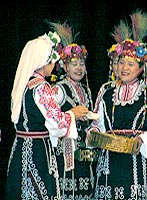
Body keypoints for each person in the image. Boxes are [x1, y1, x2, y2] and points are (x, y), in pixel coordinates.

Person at [86, 10, 147, 200]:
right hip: (109, 163)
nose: (125, 68)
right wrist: (92, 135)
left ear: (142, 68)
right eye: (122, 62)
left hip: (138, 162)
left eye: (131, 64)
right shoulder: (106, 92)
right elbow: (96, 123)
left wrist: (142, 141)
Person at [5, 31, 89, 199]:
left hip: (20, 147)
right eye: (52, 60)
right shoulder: (41, 86)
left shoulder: (23, 83)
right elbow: (58, 123)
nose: (54, 64)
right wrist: (73, 113)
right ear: (44, 61)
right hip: (38, 151)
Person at [50, 21, 100, 199]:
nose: (79, 68)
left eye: (81, 63)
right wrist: (71, 116)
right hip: (66, 151)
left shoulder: (86, 90)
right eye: (74, 64)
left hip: (85, 151)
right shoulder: (59, 89)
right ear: (64, 66)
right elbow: (51, 119)